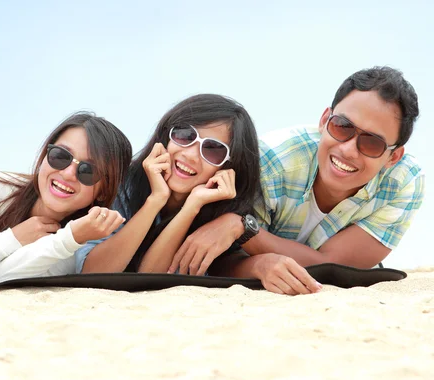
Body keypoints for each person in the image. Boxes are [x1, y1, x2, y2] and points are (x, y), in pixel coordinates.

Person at [172, 66, 424, 295]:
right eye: (342, 126)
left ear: (393, 156)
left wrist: (242, 228)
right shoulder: (270, 162)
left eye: (372, 143)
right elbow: (220, 258)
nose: (348, 150)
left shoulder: (404, 182)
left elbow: (335, 267)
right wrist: (259, 264)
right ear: (324, 120)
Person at [0, 112, 132, 285]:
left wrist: (67, 241)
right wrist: (14, 237)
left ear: (104, 190)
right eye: (60, 156)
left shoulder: (74, 243)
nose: (68, 173)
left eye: (88, 171)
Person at [75, 94, 262, 275]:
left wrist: (191, 207)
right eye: (185, 135)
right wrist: (155, 200)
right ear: (166, 135)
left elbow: (151, 276)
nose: (190, 155)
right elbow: (91, 271)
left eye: (213, 150)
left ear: (229, 166)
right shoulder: (123, 183)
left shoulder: (221, 217)